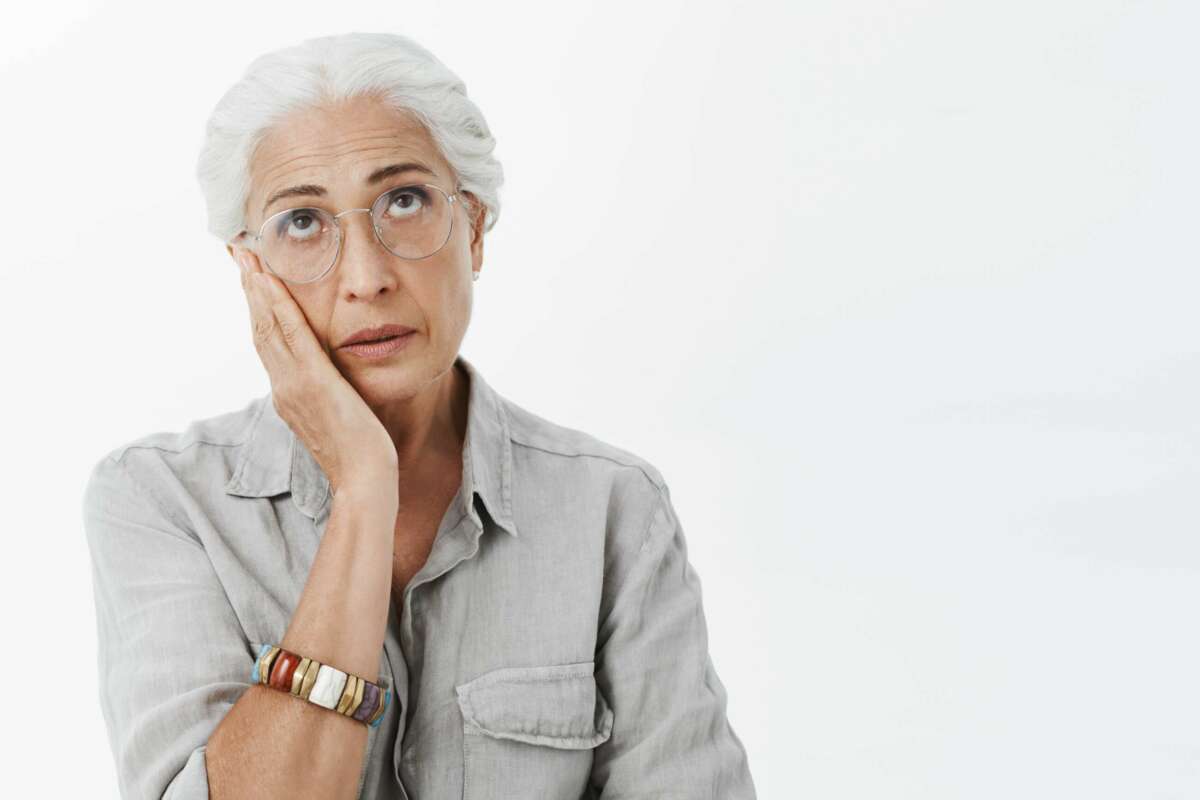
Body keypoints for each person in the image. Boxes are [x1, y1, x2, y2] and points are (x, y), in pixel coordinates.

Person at [82, 31, 756, 800]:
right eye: (303, 221)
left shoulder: (612, 508)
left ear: (472, 227)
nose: (366, 277)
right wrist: (365, 490)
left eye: (404, 201)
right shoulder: (161, 501)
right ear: (252, 270)